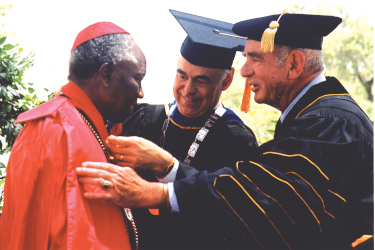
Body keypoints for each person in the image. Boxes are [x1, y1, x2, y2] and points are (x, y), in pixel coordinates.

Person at [76, 12, 373, 249]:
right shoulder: (318, 117)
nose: (246, 70)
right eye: (182, 75)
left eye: (255, 57)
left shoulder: (331, 123)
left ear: (294, 63)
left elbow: (257, 197)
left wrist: (155, 192)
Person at [105, 10, 258, 249]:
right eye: (182, 76)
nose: (188, 90)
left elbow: (231, 209)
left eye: (202, 80)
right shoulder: (144, 118)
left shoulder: (236, 139)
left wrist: (167, 167)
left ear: (226, 81)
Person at [0, 22, 146, 249]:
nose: (140, 92)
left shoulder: (86, 124)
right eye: (138, 78)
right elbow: (32, 233)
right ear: (106, 75)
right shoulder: (52, 129)